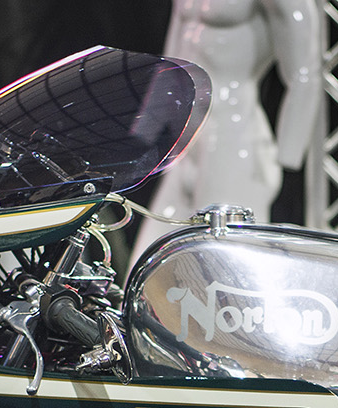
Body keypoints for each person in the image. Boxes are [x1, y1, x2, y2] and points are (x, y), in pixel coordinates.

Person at [129, 0, 320, 265]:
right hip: (187, 136)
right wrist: (144, 130)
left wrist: (290, 153)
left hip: (232, 134)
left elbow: (304, 72)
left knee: (224, 265)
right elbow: (172, 60)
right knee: (148, 262)